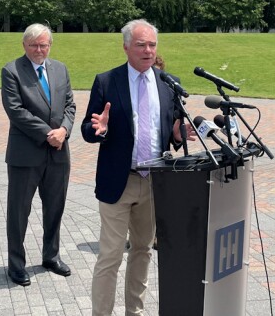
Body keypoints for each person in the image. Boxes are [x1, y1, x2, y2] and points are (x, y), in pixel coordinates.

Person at [81, 19, 195, 316]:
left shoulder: (168, 83)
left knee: (143, 251)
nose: (147, 50)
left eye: (152, 45)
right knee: (110, 256)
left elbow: (169, 130)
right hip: (119, 182)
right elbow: (87, 129)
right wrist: (100, 129)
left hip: (154, 181)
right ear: (126, 47)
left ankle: (136, 312)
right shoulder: (107, 81)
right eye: (141, 44)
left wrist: (179, 134)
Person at [0, 23, 76, 286]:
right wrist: (48, 133)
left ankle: (51, 256)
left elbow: (70, 104)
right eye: (34, 45)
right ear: (24, 45)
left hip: (58, 153)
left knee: (55, 207)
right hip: (26, 154)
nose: (39, 49)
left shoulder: (60, 69)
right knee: (19, 211)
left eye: (44, 45)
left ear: (50, 45)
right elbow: (16, 110)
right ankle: (16, 264)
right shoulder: (12, 71)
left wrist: (64, 130)